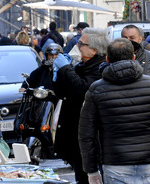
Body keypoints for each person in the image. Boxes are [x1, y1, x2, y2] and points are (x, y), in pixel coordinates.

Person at [79, 38, 150, 184]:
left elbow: (86, 134)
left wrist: (91, 170)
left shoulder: (96, 89)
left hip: (114, 163)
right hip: (148, 162)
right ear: (134, 57)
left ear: (107, 59)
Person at [52, 28, 110, 184]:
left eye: (81, 43)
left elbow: (82, 89)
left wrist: (65, 69)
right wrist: (58, 73)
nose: (77, 46)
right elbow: (62, 92)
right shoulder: (80, 66)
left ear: (94, 50)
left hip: (91, 135)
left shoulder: (100, 68)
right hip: (74, 130)